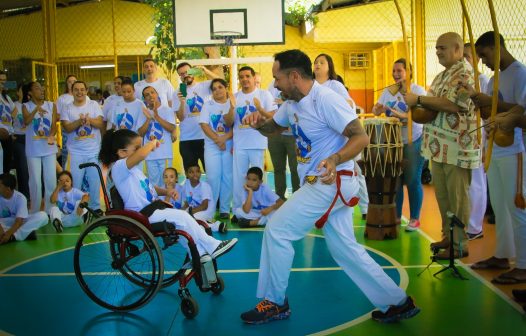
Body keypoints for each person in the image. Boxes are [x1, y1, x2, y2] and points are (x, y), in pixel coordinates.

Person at [240, 49, 419, 324]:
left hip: (329, 182)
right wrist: (256, 123)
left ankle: (275, 302)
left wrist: (335, 158)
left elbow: (361, 137)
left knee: (277, 230)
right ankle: (397, 302)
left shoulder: (325, 100)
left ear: (295, 76)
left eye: (277, 78)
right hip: (327, 184)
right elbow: (272, 128)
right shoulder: (291, 104)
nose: (274, 84)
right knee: (344, 249)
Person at [98, 128, 237, 262]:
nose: (139, 151)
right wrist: (151, 143)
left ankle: (199, 254)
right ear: (122, 152)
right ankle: (212, 245)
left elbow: (150, 187)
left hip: (152, 210)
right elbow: (141, 155)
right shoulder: (118, 168)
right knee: (183, 216)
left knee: (181, 224)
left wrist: (166, 192)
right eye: (136, 148)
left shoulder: (134, 170)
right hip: (142, 215)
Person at [404, 32, 480, 259]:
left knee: (458, 198)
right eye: (436, 48)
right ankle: (449, 237)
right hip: (437, 148)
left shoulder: (465, 73)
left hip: (457, 148)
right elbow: (432, 106)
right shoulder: (441, 76)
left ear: (457, 49)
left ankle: (459, 244)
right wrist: (420, 109)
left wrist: (418, 100)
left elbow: (453, 104)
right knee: (444, 197)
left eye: (442, 48)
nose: (438, 52)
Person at [467, 31, 526, 284]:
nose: (483, 61)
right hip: (495, 148)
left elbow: (521, 111)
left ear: (498, 47)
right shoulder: (493, 80)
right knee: (500, 208)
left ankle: (523, 265)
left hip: (516, 149)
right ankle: (503, 255)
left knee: (517, 208)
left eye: (484, 54)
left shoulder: (520, 73)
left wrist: (491, 103)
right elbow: (491, 113)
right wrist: (481, 104)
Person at [372, 58, 427, 231]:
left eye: (399, 71)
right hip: (393, 142)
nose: (395, 74)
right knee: (395, 181)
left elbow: (422, 116)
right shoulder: (389, 91)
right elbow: (376, 109)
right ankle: (396, 216)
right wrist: (378, 109)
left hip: (413, 140)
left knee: (412, 180)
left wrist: (401, 117)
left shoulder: (417, 90)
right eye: (393, 71)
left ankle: (415, 218)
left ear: (408, 72)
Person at [313, 54, 369, 219]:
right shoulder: (312, 87)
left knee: (356, 171)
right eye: (315, 62)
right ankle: (325, 207)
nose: (317, 65)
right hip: (324, 140)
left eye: (321, 62)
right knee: (325, 173)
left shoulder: (335, 85)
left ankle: (365, 208)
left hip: (342, 137)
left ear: (329, 67)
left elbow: (349, 105)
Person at [224, 66, 277, 211]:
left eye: (248, 76)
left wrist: (259, 110)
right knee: (239, 179)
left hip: (258, 143)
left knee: (259, 179)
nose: (245, 79)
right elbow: (229, 123)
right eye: (241, 77)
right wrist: (231, 107)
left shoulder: (264, 94)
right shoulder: (235, 97)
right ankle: (237, 209)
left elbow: (273, 114)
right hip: (240, 144)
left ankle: (260, 207)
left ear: (254, 78)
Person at [60, 81, 103, 212]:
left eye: (82, 89)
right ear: (72, 92)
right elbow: (66, 128)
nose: (80, 92)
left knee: (94, 182)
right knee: (76, 182)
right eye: (76, 90)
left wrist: (90, 121)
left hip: (93, 151)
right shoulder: (67, 107)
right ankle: (77, 208)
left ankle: (95, 208)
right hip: (75, 153)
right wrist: (79, 121)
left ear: (86, 91)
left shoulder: (93, 105)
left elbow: (100, 123)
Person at [463, 43, 490, 240]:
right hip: (462, 136)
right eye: (461, 57)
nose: (464, 61)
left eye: (468, 57)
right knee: (464, 182)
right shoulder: (459, 80)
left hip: (478, 134)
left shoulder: (482, 80)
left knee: (476, 181)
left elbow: (487, 112)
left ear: (477, 59)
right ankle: (466, 222)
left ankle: (475, 226)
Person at [174, 62, 219, 171]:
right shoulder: (178, 91)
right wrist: (182, 102)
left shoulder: (205, 86)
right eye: (181, 74)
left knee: (211, 173)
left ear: (193, 71)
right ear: (179, 76)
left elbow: (221, 82)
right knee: (191, 177)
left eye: (187, 72)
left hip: (206, 138)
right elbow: (180, 118)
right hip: (187, 140)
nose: (185, 75)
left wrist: (205, 70)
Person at [199, 78, 233, 219]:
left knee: (228, 177)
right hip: (212, 146)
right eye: (214, 89)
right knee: (213, 177)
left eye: (220, 87)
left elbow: (235, 126)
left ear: (226, 88)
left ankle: (225, 208)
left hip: (229, 144)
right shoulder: (207, 105)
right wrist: (217, 140)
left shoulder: (232, 104)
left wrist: (224, 139)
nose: (217, 90)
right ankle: (211, 208)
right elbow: (204, 125)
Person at [22, 81, 59, 213]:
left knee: (50, 180)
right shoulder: (26, 106)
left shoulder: (51, 105)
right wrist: (36, 109)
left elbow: (54, 124)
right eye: (37, 88)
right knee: (35, 182)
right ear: (30, 93)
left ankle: (51, 209)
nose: (41, 90)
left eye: (42, 88)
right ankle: (35, 211)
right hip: (33, 150)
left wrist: (51, 135)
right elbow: (26, 121)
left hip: (48, 148)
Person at [266, 80, 300, 201]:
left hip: (293, 135)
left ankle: (297, 198)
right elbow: (269, 109)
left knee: (295, 168)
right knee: (278, 168)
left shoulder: (295, 83)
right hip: (275, 135)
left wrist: (285, 102)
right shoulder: (271, 87)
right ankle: (279, 197)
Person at [142, 86, 175, 187]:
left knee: (166, 185)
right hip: (150, 155)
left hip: (164, 155)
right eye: (147, 95)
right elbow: (140, 133)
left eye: (152, 92)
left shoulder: (167, 110)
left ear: (157, 94)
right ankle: (156, 203)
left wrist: (156, 116)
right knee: (153, 185)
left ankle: (166, 203)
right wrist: (148, 119)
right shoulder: (143, 112)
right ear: (144, 99)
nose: (150, 96)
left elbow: (172, 128)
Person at [0, 173, 48, 244]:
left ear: (8, 189)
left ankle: (14, 237)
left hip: (18, 222)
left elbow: (19, 221)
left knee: (43, 216)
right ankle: (26, 233)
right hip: (3, 223)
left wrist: (9, 234)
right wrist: (1, 232)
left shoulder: (20, 198)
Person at [181, 164, 225, 233]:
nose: (195, 174)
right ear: (186, 174)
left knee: (190, 220)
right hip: (194, 210)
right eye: (191, 172)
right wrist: (180, 212)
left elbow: (204, 206)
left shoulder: (204, 186)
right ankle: (213, 225)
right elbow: (186, 203)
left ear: (200, 173)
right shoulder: (186, 185)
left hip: (206, 211)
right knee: (184, 219)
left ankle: (214, 226)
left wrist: (189, 213)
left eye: (197, 171)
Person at [12, 83, 30, 200]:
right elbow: (9, 120)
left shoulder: (30, 106)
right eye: (22, 90)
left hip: (30, 139)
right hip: (19, 138)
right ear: (17, 92)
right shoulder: (14, 106)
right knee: (23, 167)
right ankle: (25, 194)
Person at [56, 74, 78, 167]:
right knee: (66, 154)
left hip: (80, 129)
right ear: (67, 84)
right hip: (67, 131)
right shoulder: (62, 98)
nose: (72, 83)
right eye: (69, 82)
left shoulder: (84, 96)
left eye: (74, 81)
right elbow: (57, 116)